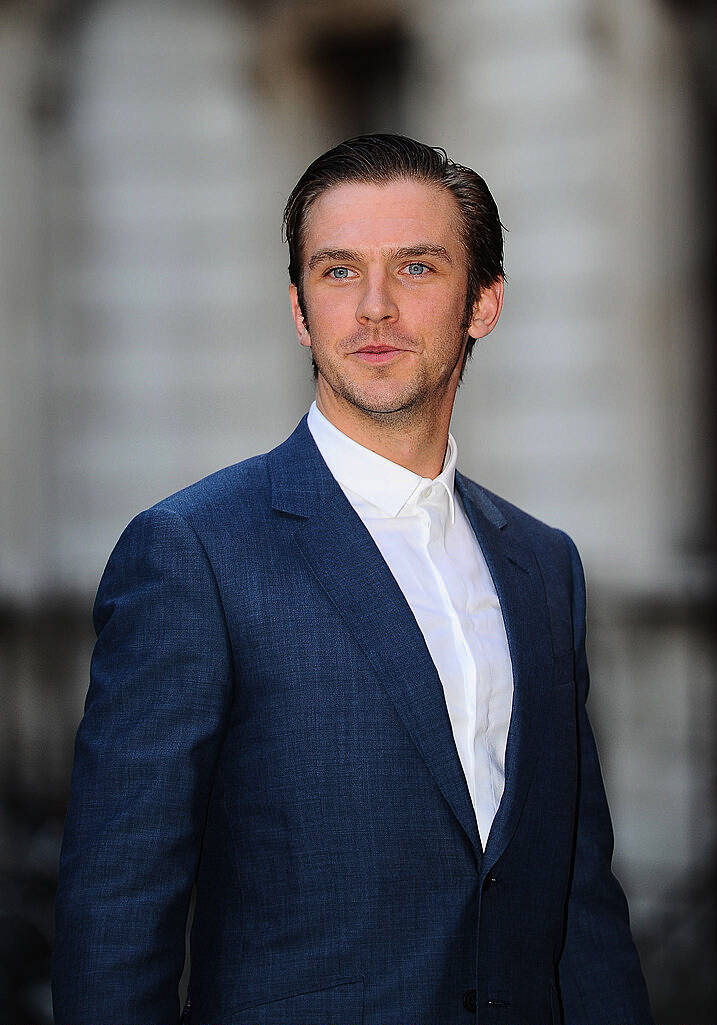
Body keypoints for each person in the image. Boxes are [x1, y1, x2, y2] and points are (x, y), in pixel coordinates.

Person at [52, 134, 654, 1025]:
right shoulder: (194, 551)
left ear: (482, 301)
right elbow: (116, 916)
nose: (373, 308)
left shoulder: (542, 565)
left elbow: (577, 901)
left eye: (415, 267)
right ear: (299, 310)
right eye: (337, 273)